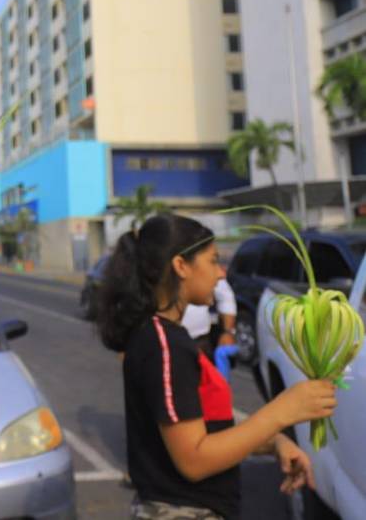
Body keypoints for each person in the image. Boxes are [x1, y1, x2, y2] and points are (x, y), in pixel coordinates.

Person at [98, 215, 336, 519]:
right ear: (181, 266)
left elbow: (207, 432)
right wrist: (284, 410)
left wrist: (275, 441)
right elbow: (194, 459)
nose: (221, 273)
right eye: (212, 261)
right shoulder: (164, 345)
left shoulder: (165, 338)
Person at [180, 275, 237, 357]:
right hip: (162, 339)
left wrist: (228, 332)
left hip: (200, 341)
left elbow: (225, 296)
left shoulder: (201, 265)